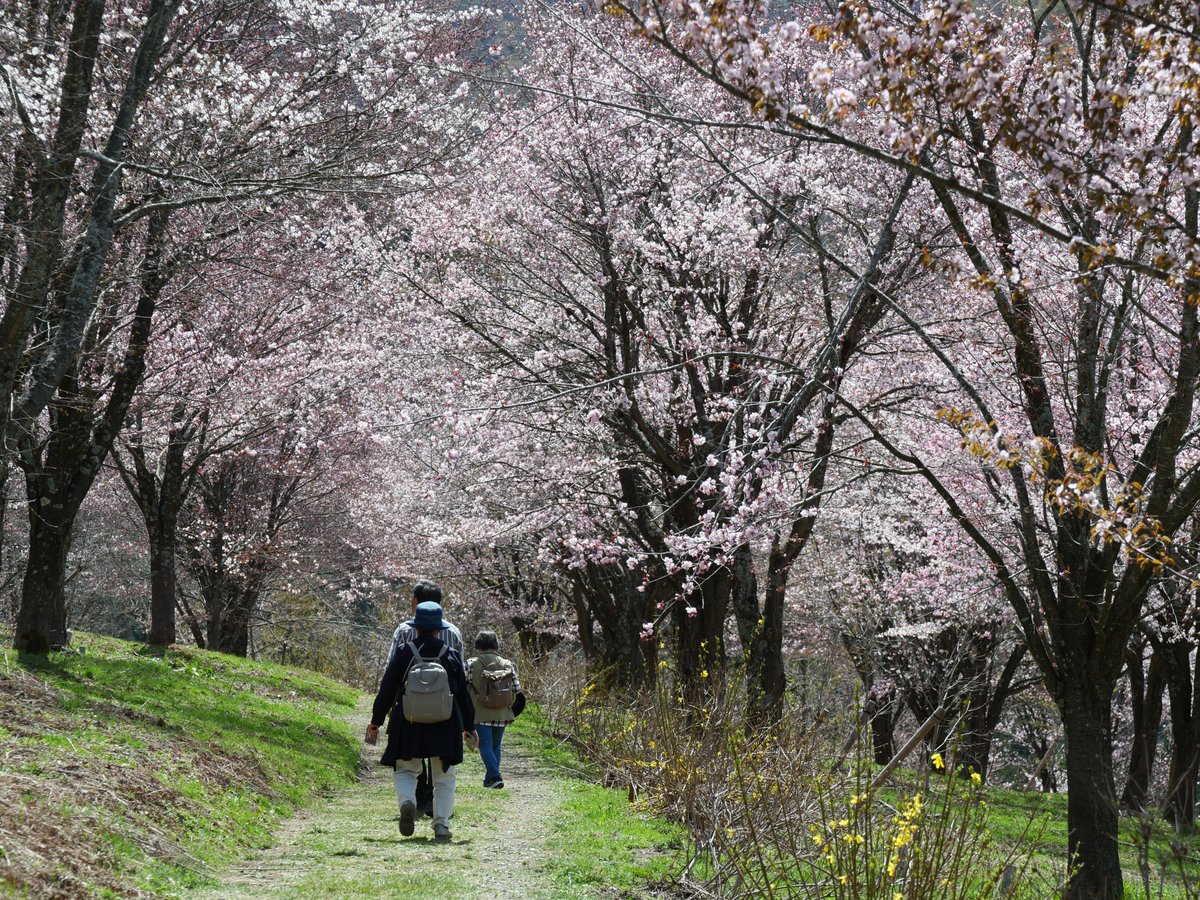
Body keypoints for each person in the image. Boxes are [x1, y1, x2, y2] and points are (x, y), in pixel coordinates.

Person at [367, 601, 477, 841]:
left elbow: (387, 689)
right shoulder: (450, 654)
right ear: (440, 629)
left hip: (409, 721)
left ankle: (408, 801)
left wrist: (376, 721)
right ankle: (441, 825)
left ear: (416, 627)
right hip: (445, 723)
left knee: (405, 769)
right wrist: (470, 727)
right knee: (444, 777)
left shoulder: (405, 651)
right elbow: (462, 695)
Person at [384, 580, 463, 816]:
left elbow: (391, 670)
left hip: (409, 708)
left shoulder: (403, 631)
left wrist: (386, 708)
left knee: (409, 758)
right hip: (444, 710)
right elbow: (460, 677)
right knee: (442, 766)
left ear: (416, 603)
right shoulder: (454, 633)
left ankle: (414, 799)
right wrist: (466, 720)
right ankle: (439, 816)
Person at [466, 630, 522, 789]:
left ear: (478, 645)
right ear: (495, 644)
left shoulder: (471, 664)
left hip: (480, 711)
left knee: (484, 744)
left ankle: (495, 775)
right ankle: (490, 779)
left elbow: (462, 685)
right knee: (495, 746)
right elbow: (517, 688)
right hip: (502, 712)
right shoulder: (507, 664)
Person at [387, 579, 464, 663]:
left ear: (415, 601)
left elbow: (391, 666)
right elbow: (460, 670)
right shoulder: (453, 632)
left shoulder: (404, 631)